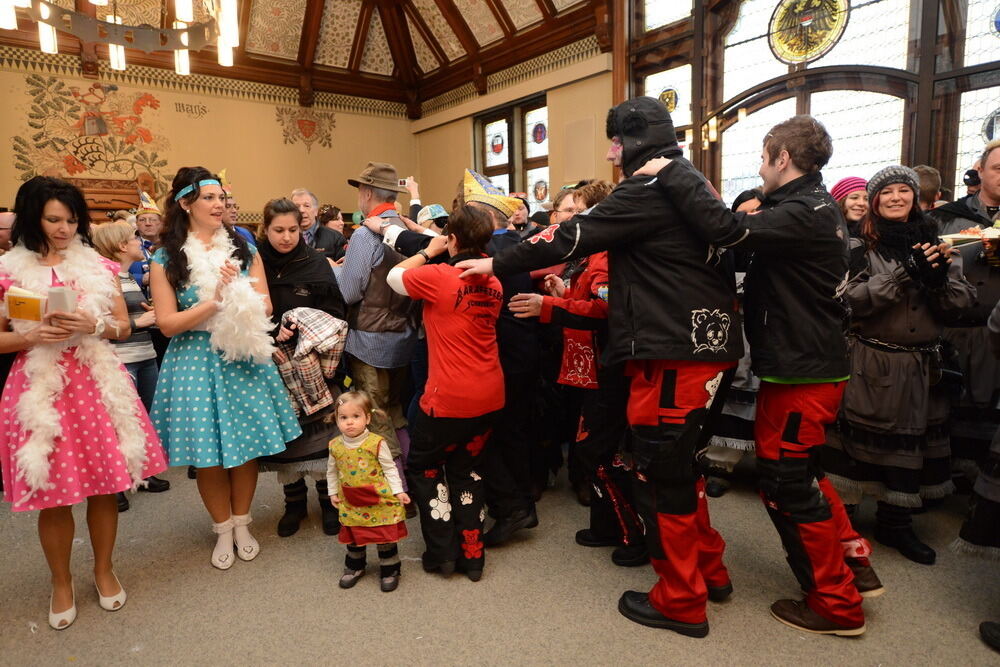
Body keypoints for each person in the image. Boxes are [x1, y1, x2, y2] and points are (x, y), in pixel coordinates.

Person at [459, 97, 742, 638]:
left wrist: (495, 260)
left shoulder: (651, 187)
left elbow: (571, 235)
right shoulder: (692, 183)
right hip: (707, 344)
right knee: (684, 468)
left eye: (615, 145)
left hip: (672, 351)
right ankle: (711, 572)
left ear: (625, 144)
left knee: (663, 478)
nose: (612, 158)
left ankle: (682, 600)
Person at [632, 114, 883, 636]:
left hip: (805, 371)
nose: (761, 169)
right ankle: (854, 565)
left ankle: (837, 605)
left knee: (788, 482)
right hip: (803, 366)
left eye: (765, 158)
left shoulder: (805, 210)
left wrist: (674, 170)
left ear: (782, 157)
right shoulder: (808, 206)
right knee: (801, 472)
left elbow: (727, 230)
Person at [0, 176, 167, 630]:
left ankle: (103, 569)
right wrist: (30, 335)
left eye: (72, 220)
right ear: (32, 217)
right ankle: (60, 581)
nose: (64, 228)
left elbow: (123, 328)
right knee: (54, 495)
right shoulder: (8, 271)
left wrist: (92, 325)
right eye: (54, 219)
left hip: (94, 382)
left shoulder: (99, 266)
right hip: (39, 388)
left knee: (104, 485)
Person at [149, 167, 301, 570]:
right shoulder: (166, 257)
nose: (221, 205)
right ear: (185, 204)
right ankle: (222, 528)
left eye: (222, 198)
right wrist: (213, 301)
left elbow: (267, 304)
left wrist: (239, 296)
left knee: (245, 446)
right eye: (210, 198)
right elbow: (166, 323)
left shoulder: (243, 246)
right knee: (210, 454)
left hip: (241, 355)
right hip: (195, 359)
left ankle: (242, 522)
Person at [822, 166, 975, 566]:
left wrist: (938, 280)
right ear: (874, 201)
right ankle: (845, 526)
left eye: (902, 190)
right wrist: (905, 274)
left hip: (922, 365)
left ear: (914, 196)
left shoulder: (938, 246)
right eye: (885, 191)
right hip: (870, 360)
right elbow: (848, 300)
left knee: (913, 447)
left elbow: (961, 304)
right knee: (858, 444)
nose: (895, 197)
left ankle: (896, 523)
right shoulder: (857, 246)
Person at [386, 204, 504, 581]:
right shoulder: (495, 282)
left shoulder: (439, 275)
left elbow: (394, 277)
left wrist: (426, 251)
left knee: (424, 467)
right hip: (488, 394)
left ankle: (443, 554)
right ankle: (473, 555)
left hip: (448, 398)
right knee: (467, 470)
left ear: (451, 239)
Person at [255, 198, 347, 538]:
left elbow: (336, 313)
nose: (286, 237)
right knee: (286, 437)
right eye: (278, 230)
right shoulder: (256, 262)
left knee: (321, 434)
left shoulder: (315, 264)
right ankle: (293, 503)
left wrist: (307, 326)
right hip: (271, 360)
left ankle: (326, 502)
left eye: (293, 229)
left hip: (312, 363)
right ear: (265, 229)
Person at [337, 163, 416, 460]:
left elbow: (350, 292)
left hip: (370, 339)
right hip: (403, 335)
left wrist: (337, 275)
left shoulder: (364, 235)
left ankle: (399, 495)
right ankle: (413, 479)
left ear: (367, 192)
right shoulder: (407, 230)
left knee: (375, 415)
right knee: (395, 410)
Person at [90, 221, 171, 508]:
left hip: (145, 356)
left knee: (143, 420)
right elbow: (100, 324)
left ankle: (142, 474)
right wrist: (141, 320)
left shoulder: (127, 277)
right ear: (121, 246)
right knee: (119, 424)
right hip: (122, 360)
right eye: (134, 238)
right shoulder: (103, 280)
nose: (140, 242)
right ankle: (117, 485)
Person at [327, 391, 409, 592]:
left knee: (383, 532)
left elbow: (390, 468)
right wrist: (332, 492)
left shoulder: (376, 442)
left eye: (356, 416)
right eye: (343, 417)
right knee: (355, 534)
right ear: (336, 419)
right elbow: (331, 471)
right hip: (350, 500)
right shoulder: (334, 446)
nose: (350, 423)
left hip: (379, 498)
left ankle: (390, 569)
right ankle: (355, 567)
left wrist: (399, 491)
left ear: (367, 418)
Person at [292, 188, 347, 261]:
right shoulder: (285, 237)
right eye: (297, 207)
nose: (301, 210)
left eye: (307, 206)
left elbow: (345, 268)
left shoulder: (336, 238)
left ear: (315, 211)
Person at [128, 192, 162, 297]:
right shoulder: (129, 247)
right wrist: (141, 279)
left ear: (161, 223)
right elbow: (116, 275)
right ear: (137, 224)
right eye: (142, 220)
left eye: (152, 219)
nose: (148, 223)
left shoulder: (172, 245)